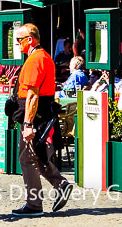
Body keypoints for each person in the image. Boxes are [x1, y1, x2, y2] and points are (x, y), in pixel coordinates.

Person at [12, 23, 73, 216]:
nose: (17, 44)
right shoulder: (44, 56)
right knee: (35, 155)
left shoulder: (35, 59)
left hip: (35, 115)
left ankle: (34, 204)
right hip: (41, 112)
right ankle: (60, 184)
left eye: (19, 40)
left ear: (30, 39)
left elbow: (32, 95)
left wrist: (28, 124)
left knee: (27, 158)